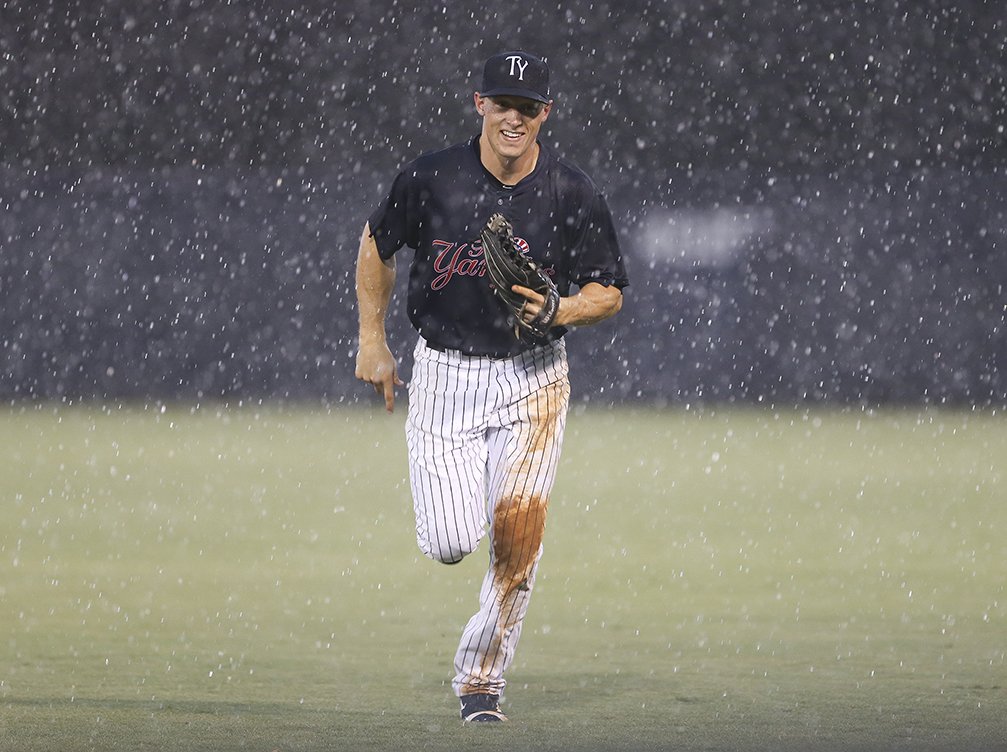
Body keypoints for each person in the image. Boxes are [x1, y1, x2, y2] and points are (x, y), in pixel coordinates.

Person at [354, 50, 629, 723]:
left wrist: (562, 309)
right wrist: (371, 340)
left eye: (527, 106)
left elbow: (609, 291)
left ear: (545, 114)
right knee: (448, 541)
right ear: (479, 103)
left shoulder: (569, 190)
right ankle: (469, 532)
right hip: (446, 375)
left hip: (534, 380)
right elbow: (376, 244)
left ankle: (481, 680)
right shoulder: (432, 178)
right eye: (502, 103)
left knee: (516, 543)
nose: (514, 117)